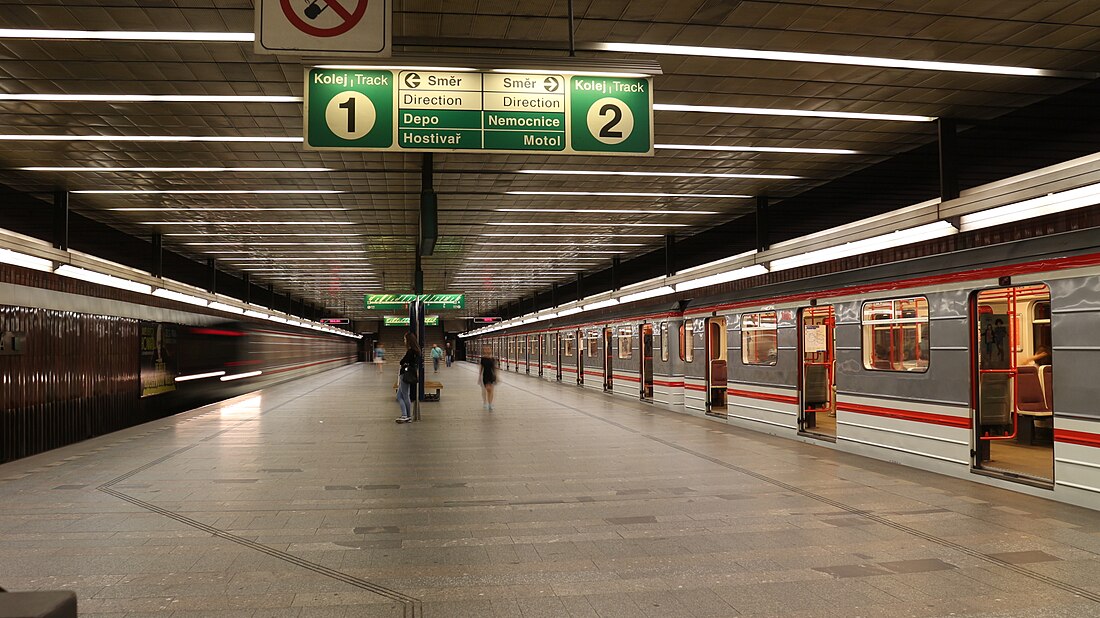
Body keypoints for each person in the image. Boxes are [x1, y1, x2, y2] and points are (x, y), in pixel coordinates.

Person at [395, 333, 421, 424]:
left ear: (409, 340)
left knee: (405, 395)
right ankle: (407, 416)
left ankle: (406, 416)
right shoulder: (417, 351)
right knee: (400, 396)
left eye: (405, 339)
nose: (404, 340)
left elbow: (402, 361)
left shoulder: (410, 351)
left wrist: (403, 362)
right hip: (410, 374)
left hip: (405, 374)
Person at [478, 344, 497, 411]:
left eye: (488, 349)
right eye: (485, 349)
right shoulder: (483, 359)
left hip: (491, 376)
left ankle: (490, 404)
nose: (487, 350)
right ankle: (485, 402)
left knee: (491, 390)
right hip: (485, 375)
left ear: (491, 350)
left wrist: (497, 377)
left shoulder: (493, 359)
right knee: (486, 390)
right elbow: (481, 368)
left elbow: (495, 368)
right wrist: (479, 377)